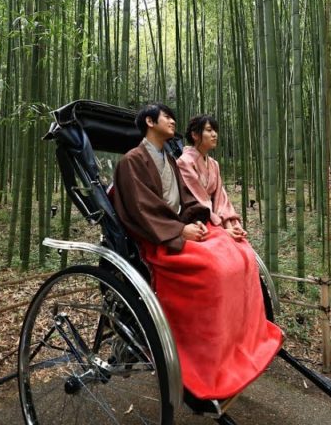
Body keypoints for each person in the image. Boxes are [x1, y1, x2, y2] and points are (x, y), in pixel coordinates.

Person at [112, 104, 283, 402]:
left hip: (181, 228)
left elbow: (192, 201)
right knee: (214, 269)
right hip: (159, 239)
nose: (173, 121)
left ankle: (238, 344)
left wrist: (200, 223)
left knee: (240, 256)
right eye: (167, 117)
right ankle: (201, 354)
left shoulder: (167, 157)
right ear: (150, 122)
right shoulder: (132, 161)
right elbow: (142, 210)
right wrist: (179, 232)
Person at [176, 115, 246, 241]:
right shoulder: (184, 162)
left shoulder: (214, 164)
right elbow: (199, 198)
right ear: (195, 135)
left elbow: (221, 198)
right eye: (209, 130)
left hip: (215, 217)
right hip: (198, 218)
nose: (215, 134)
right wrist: (222, 229)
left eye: (215, 130)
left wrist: (230, 224)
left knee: (241, 244)